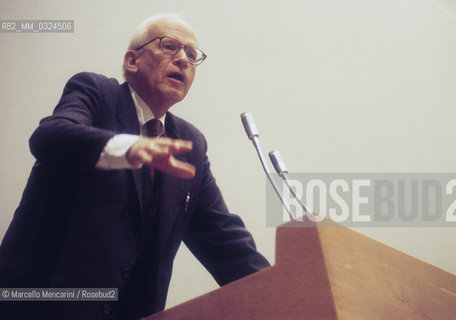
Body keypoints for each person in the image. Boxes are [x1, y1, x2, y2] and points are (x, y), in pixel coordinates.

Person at [0, 14, 270, 320]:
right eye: (170, 46)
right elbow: (49, 137)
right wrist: (128, 147)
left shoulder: (189, 144)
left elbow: (225, 242)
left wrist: (285, 294)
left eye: (192, 55)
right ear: (132, 60)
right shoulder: (97, 93)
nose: (183, 59)